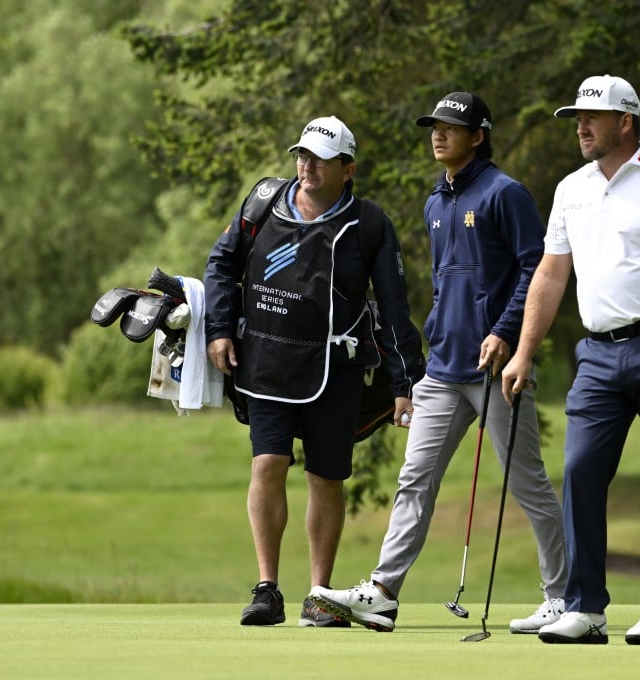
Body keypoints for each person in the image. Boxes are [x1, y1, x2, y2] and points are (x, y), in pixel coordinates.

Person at [310, 92, 568, 633]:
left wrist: (505, 334)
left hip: (498, 368)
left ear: (478, 136)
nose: (438, 134)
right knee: (414, 479)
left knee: (527, 483)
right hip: (444, 369)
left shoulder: (505, 194)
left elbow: (535, 271)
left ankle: (564, 597)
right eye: (434, 126)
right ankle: (383, 592)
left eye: (451, 127)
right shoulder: (435, 203)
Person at [502, 74, 640, 645]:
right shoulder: (571, 188)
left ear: (625, 121)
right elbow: (551, 275)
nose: (580, 125)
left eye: (591, 117)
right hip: (597, 356)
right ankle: (585, 606)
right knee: (580, 473)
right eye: (576, 116)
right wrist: (524, 352)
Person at [203, 115, 425, 628]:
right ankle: (267, 588)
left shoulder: (368, 223)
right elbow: (222, 263)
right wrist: (218, 328)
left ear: (347, 168)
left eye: (319, 159)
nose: (305, 166)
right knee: (267, 465)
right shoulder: (263, 201)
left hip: (337, 368)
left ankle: (319, 594)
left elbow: (394, 308)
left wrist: (403, 382)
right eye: (301, 156)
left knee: (326, 478)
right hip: (267, 364)